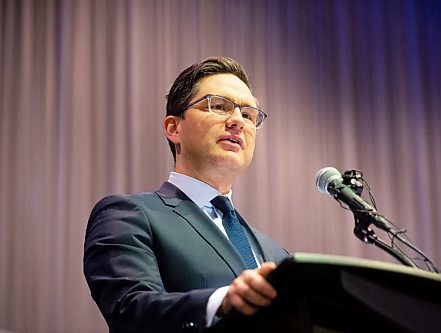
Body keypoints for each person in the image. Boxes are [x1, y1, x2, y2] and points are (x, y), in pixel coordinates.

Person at [83, 57, 289, 332]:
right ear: (174, 128)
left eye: (249, 115)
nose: (237, 121)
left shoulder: (277, 253)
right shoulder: (128, 216)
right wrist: (220, 301)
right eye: (219, 106)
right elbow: (130, 309)